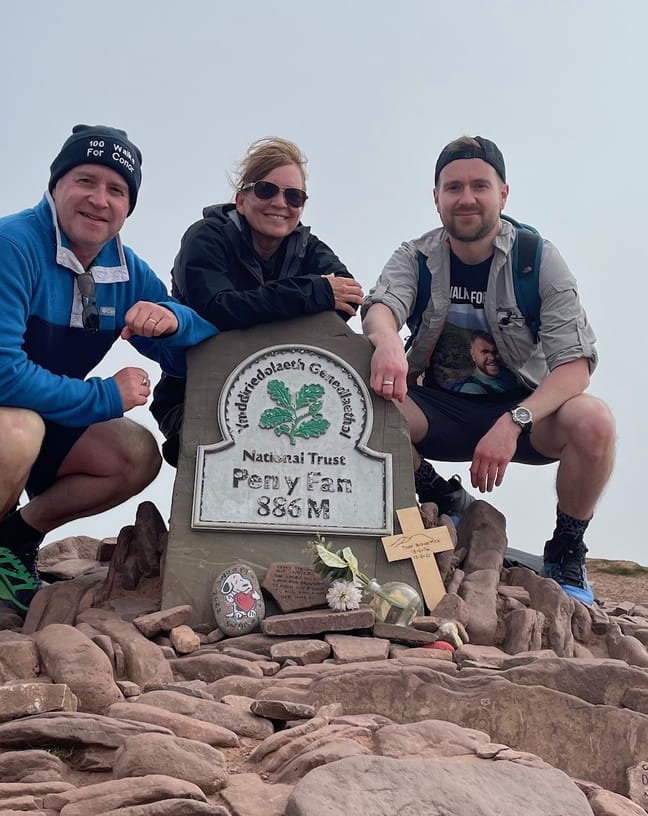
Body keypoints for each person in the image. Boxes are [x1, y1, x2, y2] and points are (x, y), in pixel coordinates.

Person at [0, 124, 218, 631]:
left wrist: (176, 320)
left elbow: (192, 349)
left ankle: (6, 544)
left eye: (116, 189)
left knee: (136, 452)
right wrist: (104, 394)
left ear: (129, 207)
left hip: (28, 415)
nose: (99, 199)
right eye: (85, 180)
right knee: (17, 430)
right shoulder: (3, 247)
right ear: (56, 184)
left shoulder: (126, 272)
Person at [362, 135, 615, 606]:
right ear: (436, 198)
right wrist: (388, 340)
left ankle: (567, 549)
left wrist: (514, 420)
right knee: (364, 402)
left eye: (480, 185)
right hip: (440, 408)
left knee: (594, 419)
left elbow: (575, 367)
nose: (466, 198)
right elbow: (381, 307)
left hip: (524, 414)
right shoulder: (415, 256)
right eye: (453, 187)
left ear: (503, 193)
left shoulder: (537, 260)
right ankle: (440, 495)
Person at [150, 136, 364, 465]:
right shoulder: (205, 237)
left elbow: (348, 298)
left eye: (294, 196)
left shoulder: (308, 246)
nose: (280, 203)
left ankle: (436, 503)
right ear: (240, 199)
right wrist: (313, 292)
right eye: (267, 190)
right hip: (196, 393)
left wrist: (268, 306)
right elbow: (216, 311)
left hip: (286, 389)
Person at [447, 330, 519, 394]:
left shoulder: (508, 375)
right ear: (473, 355)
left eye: (495, 351)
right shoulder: (472, 389)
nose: (492, 357)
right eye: (484, 352)